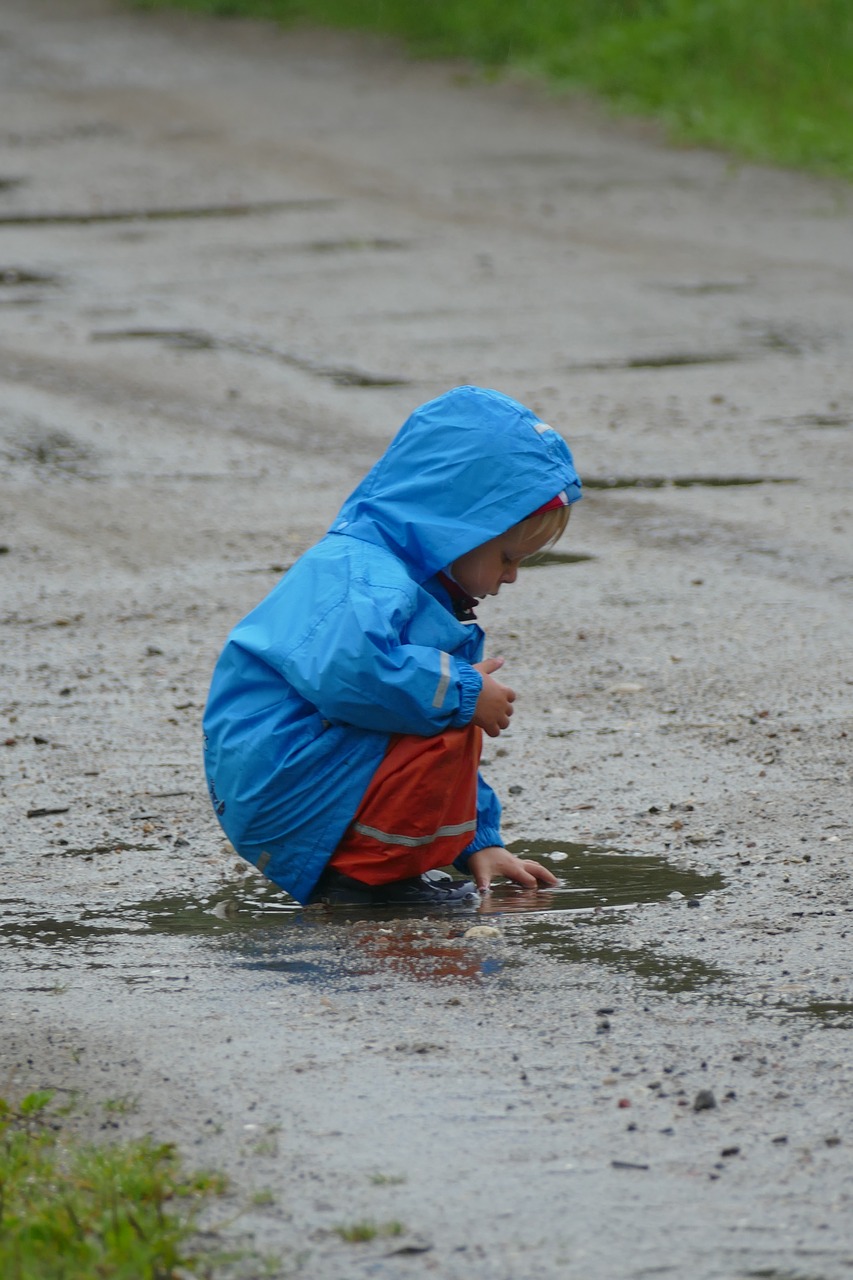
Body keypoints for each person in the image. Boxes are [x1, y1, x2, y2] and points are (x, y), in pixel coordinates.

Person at [203, 385, 582, 907]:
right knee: (446, 708)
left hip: (301, 773)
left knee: (443, 707)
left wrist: (480, 842)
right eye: (507, 557)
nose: (512, 577)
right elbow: (354, 674)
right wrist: (467, 692)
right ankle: (365, 883)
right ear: (460, 528)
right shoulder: (366, 576)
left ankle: (386, 870)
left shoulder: (420, 588)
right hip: (285, 779)